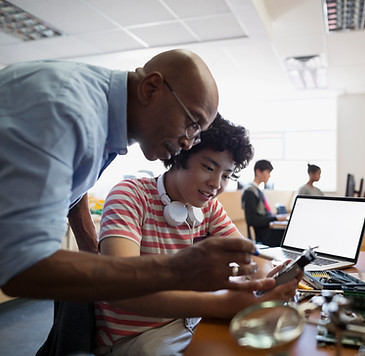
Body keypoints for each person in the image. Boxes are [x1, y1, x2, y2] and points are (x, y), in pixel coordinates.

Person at [0, 49, 260, 303]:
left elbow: (71, 177)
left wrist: (91, 250)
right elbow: (21, 265)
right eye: (192, 123)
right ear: (151, 88)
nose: (188, 143)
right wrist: (176, 271)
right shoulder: (68, 112)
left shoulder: (103, 119)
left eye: (197, 134)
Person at [93, 116, 301, 356]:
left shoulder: (208, 207)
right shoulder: (129, 196)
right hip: (136, 338)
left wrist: (268, 278)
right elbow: (122, 290)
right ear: (180, 155)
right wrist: (219, 305)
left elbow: (248, 256)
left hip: (192, 321)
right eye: (208, 168)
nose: (216, 184)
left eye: (226, 175)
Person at [242, 160, 288, 246]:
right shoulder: (250, 191)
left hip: (268, 230)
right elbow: (251, 220)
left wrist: (276, 217)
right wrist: (276, 218)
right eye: (268, 172)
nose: (269, 175)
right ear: (258, 172)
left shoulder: (258, 190)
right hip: (264, 235)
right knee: (288, 235)